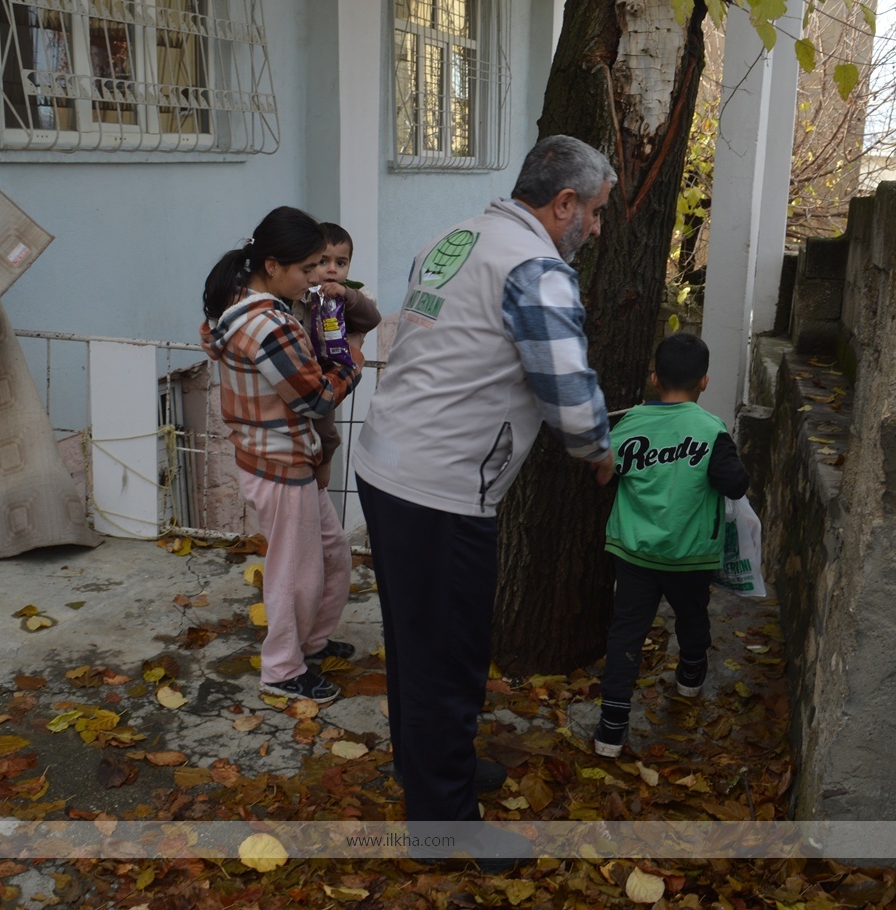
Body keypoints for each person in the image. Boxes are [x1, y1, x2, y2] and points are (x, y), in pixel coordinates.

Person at [351, 135, 617, 853]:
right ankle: (444, 829)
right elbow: (565, 390)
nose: (595, 228)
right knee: (449, 657)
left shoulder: (457, 236)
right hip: (440, 487)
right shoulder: (536, 269)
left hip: (388, 463)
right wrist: (599, 446)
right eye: (593, 213)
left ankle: (434, 769)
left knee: (417, 640)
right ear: (563, 204)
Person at [199, 206, 363, 704]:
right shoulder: (270, 324)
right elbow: (315, 399)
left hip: (282, 458)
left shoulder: (242, 305)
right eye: (308, 267)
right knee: (296, 573)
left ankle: (310, 644)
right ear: (272, 266)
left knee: (332, 556)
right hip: (280, 461)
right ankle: (283, 669)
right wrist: (351, 364)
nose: (316, 277)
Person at [591, 332, 750, 758]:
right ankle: (691, 676)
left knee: (626, 632)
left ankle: (611, 727)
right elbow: (734, 484)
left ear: (654, 379)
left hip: (634, 552)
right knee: (692, 617)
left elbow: (605, 473)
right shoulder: (710, 430)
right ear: (705, 382)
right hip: (689, 555)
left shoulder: (631, 424)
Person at [295, 222, 382, 496]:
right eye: (323, 261)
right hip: (301, 368)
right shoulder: (299, 293)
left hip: (332, 372)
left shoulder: (353, 293)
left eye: (341, 262)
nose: (332, 269)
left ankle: (327, 456)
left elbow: (372, 320)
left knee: (323, 426)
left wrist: (348, 296)